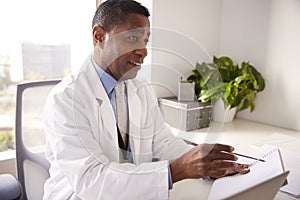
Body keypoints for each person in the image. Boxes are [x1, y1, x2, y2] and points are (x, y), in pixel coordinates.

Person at [43, 0, 249, 199]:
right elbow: (91, 181)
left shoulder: (139, 88)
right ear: (99, 36)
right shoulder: (66, 99)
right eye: (132, 38)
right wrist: (178, 170)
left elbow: (163, 142)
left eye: (145, 41)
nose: (143, 52)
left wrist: (206, 164)